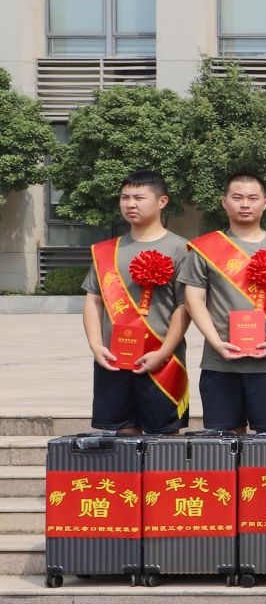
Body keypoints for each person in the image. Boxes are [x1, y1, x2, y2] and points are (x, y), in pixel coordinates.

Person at [180, 172, 266, 434]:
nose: (245, 204)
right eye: (237, 197)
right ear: (224, 202)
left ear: (265, 203)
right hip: (219, 362)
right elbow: (194, 299)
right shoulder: (205, 249)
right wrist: (215, 342)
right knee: (224, 442)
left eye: (252, 198)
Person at [84, 169, 191, 435]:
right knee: (123, 437)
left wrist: (163, 353)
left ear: (162, 201)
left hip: (162, 360)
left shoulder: (182, 249)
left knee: (164, 440)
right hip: (114, 358)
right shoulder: (106, 251)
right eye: (125, 198)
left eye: (139, 198)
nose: (130, 204)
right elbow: (93, 301)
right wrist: (96, 346)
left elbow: (185, 307)